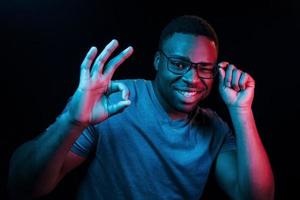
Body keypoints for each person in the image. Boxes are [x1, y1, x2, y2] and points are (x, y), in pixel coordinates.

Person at [8, 15, 274, 200]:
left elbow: (256, 197)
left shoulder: (214, 127)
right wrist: (72, 122)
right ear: (158, 61)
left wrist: (242, 112)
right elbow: (24, 187)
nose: (193, 79)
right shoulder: (113, 100)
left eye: (204, 68)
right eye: (179, 64)